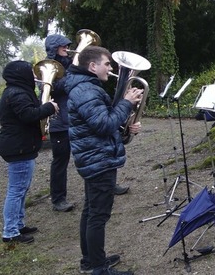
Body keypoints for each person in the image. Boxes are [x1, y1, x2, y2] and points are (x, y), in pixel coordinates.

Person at [65, 46, 142, 274]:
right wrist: (126, 102)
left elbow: (106, 124)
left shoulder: (86, 88)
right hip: (98, 160)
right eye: (107, 64)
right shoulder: (87, 90)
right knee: (98, 215)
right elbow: (104, 125)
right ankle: (98, 268)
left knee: (90, 211)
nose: (111, 68)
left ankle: (90, 261)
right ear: (92, 66)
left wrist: (127, 128)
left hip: (95, 157)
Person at [0, 61, 58, 244]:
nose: (34, 77)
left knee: (21, 189)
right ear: (21, 75)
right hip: (19, 147)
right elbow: (28, 115)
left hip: (21, 145)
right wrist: (49, 107)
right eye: (30, 73)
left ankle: (18, 223)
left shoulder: (16, 91)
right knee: (16, 190)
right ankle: (10, 232)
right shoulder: (17, 93)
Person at [44, 34, 76, 212]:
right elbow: (48, 88)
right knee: (60, 161)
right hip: (59, 122)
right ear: (53, 48)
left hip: (75, 117)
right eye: (63, 45)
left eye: (67, 44)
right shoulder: (46, 67)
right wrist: (71, 74)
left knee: (89, 153)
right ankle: (58, 199)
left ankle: (105, 186)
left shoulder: (71, 64)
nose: (67, 47)